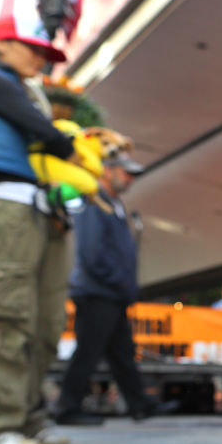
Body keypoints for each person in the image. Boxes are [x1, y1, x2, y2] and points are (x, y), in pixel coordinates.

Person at [0, 15, 75, 444]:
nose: (39, 57)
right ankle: (0, 422)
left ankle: (30, 418)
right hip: (3, 201)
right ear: (0, 44)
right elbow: (51, 137)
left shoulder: (31, 91)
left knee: (45, 321)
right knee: (6, 315)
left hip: (42, 207)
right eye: (30, 47)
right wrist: (61, 141)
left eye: (44, 51)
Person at [54, 154, 179, 424]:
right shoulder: (93, 201)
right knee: (88, 350)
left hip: (111, 292)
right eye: (126, 172)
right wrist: (118, 280)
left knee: (121, 352)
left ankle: (139, 404)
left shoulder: (114, 204)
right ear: (107, 171)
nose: (130, 178)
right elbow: (91, 251)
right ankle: (66, 408)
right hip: (97, 291)